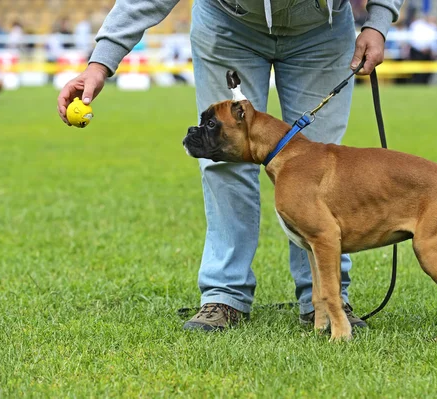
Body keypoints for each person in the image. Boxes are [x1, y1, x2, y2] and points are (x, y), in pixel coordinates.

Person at [57, 0, 404, 331]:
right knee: (220, 158)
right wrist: (100, 63)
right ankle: (225, 295)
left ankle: (327, 301)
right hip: (229, 27)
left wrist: (378, 22)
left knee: (323, 166)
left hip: (321, 31)